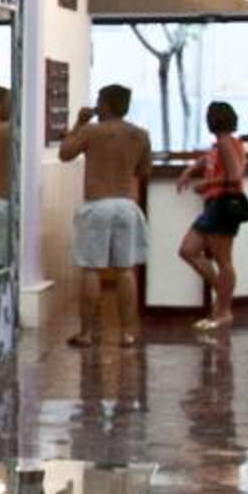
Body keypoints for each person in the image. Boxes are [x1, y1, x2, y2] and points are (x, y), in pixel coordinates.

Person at [58, 84, 154, 350]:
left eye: (99, 100)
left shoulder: (91, 131)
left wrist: (79, 122)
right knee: (125, 270)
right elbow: (144, 171)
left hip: (97, 205)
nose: (96, 105)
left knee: (91, 269)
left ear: (107, 104)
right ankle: (127, 334)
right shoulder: (140, 135)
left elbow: (65, 153)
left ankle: (86, 333)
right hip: (126, 205)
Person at [177, 100, 248, 331]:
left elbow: (235, 175)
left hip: (223, 204)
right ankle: (221, 295)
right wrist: (190, 170)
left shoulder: (225, 142)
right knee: (188, 250)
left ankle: (223, 312)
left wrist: (206, 183)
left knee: (223, 262)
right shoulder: (224, 142)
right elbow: (209, 159)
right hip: (215, 206)